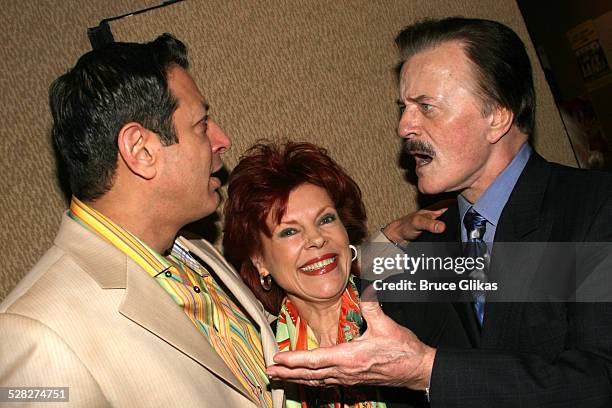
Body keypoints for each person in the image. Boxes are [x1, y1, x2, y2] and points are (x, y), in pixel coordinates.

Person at [266, 17, 612, 407]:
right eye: (403, 107)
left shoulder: (595, 208)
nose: (404, 126)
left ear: (497, 115)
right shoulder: (432, 239)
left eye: (425, 107)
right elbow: (344, 286)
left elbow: (600, 380)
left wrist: (430, 372)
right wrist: (383, 242)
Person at [0, 34, 283, 407]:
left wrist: (380, 260)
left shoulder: (193, 248)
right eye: (201, 124)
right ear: (141, 150)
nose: (222, 139)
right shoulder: (33, 333)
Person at [223, 141, 386, 407]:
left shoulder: (408, 309)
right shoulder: (257, 357)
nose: (316, 239)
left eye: (326, 219)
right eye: (289, 231)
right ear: (260, 261)